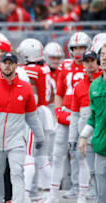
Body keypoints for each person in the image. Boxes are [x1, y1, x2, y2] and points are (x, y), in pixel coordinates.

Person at [0, 53, 44, 203]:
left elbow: (32, 116)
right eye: (4, 62)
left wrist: (40, 136)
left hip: (16, 140)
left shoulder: (25, 89)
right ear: (0, 65)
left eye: (10, 63)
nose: (7, 65)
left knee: (17, 172)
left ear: (16, 65)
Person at [46, 32, 91, 203]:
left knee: (81, 156)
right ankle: (53, 194)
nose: (78, 51)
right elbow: (59, 93)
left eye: (82, 48)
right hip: (66, 114)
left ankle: (82, 194)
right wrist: (57, 111)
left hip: (82, 116)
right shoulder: (65, 66)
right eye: (75, 48)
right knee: (57, 156)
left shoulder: (92, 66)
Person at [17, 38, 53, 201]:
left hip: (35, 113)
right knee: (42, 156)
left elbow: (32, 95)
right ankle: (48, 193)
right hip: (45, 112)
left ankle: (25, 194)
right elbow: (50, 93)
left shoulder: (31, 70)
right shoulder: (44, 68)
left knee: (29, 154)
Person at [69, 51, 102, 203]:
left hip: (102, 134)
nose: (89, 63)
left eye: (92, 60)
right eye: (86, 61)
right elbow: (75, 114)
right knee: (93, 171)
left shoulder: (101, 81)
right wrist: (73, 137)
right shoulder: (79, 86)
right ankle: (96, 196)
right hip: (88, 136)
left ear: (97, 61)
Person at [79, 43, 106, 203]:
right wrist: (83, 136)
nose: (104, 57)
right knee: (101, 196)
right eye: (102, 54)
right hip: (101, 149)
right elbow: (93, 117)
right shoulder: (95, 86)